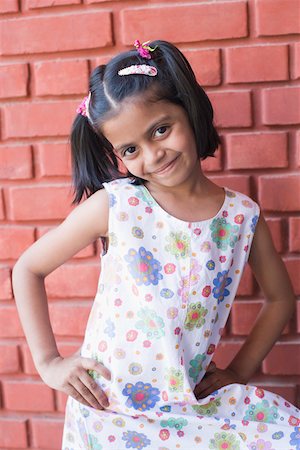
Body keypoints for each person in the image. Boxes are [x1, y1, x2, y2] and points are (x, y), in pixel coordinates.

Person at [12, 40, 299, 450]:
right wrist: (48, 363)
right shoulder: (117, 205)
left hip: (189, 406)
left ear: (189, 109)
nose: (153, 154)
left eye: (161, 129)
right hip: (111, 412)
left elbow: (280, 299)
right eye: (131, 150)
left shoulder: (241, 216)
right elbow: (28, 268)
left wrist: (239, 372)